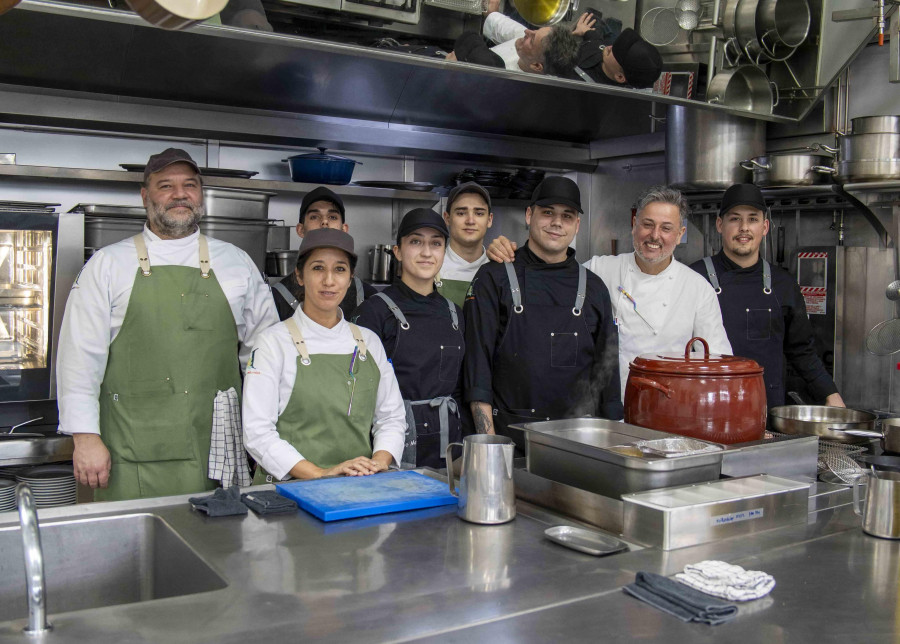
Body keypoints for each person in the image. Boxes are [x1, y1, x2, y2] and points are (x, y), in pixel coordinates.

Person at [57, 148, 279, 500]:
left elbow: (265, 357)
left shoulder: (237, 263)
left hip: (216, 447)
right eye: (166, 186)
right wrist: (85, 437)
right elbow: (78, 358)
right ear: (145, 196)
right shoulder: (107, 264)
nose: (180, 194)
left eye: (189, 185)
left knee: (218, 549)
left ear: (200, 195)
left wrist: (265, 434)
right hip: (130, 452)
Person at [487, 184, 732, 395]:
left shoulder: (698, 289)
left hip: (670, 410)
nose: (654, 236)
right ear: (634, 225)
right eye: (647, 224)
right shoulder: (599, 270)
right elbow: (550, 279)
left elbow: (718, 366)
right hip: (610, 411)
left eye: (666, 228)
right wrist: (510, 254)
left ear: (680, 235)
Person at [465, 177, 622, 450]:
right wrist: (489, 449)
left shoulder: (595, 288)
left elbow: (607, 381)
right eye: (547, 212)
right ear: (529, 215)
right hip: (509, 441)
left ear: (577, 225)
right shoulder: (494, 277)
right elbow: (478, 371)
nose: (556, 223)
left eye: (567, 216)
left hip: (579, 442)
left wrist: (611, 449)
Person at [243, 228, 406, 481]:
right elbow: (257, 432)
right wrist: (321, 474)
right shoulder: (272, 342)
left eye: (340, 269)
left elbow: (392, 417)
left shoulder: (368, 342)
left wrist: (377, 464)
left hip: (357, 487)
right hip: (289, 493)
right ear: (299, 275)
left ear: (351, 278)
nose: (329, 280)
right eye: (318, 268)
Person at [690, 183, 846, 409]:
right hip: (708, 407)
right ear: (720, 225)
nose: (744, 227)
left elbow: (801, 350)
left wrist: (830, 394)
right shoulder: (693, 278)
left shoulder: (783, 283)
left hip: (767, 410)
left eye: (752, 219)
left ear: (764, 227)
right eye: (735, 219)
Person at [354, 209, 467, 469]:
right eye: (416, 242)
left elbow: (460, 388)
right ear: (397, 251)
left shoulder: (455, 313)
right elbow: (359, 393)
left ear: (444, 252)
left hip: (450, 448)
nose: (426, 252)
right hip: (393, 446)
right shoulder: (374, 311)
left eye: (436, 243)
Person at [271, 186, 376, 320]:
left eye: (332, 217)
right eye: (315, 217)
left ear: (344, 229)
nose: (324, 222)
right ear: (300, 229)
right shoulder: (277, 298)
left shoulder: (367, 296)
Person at [475, 0, 580, 76]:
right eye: (536, 31)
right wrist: (491, 11)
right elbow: (499, 23)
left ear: (536, 66)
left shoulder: (504, 81)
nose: (526, 31)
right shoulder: (529, 48)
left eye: (532, 40)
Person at [436, 182, 494, 307]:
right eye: (461, 213)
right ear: (447, 218)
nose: (470, 221)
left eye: (479, 213)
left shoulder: (500, 270)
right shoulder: (432, 267)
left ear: (489, 220)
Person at [569, 11, 662, 88]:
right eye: (616, 45)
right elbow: (598, 43)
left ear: (620, 77)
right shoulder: (609, 56)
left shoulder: (581, 85)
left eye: (615, 52)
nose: (610, 47)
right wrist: (586, 31)